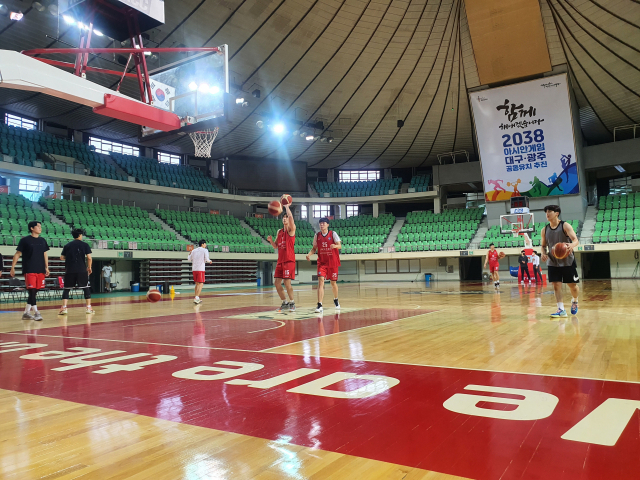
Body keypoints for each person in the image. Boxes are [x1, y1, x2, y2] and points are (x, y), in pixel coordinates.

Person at [541, 204, 580, 318]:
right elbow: (543, 246)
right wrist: (543, 253)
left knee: (572, 285)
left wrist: (572, 245)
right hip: (552, 261)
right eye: (546, 212)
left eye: (550, 211)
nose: (547, 214)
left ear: (556, 213)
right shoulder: (545, 229)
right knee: (556, 285)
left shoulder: (565, 225)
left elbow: (575, 240)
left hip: (567, 260)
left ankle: (575, 300)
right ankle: (561, 309)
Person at [10, 220, 49, 321]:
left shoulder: (42, 240)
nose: (40, 228)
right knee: (31, 291)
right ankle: (36, 312)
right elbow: (18, 254)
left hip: (40, 269)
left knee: (35, 291)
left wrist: (47, 267)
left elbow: (45, 254)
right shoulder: (25, 240)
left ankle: (26, 313)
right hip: (29, 268)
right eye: (38, 226)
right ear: (32, 228)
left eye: (40, 226)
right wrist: (12, 267)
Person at [306, 217, 341, 313]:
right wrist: (309, 254)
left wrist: (335, 246)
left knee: (333, 283)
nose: (322, 225)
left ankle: (336, 299)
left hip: (332, 262)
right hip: (322, 262)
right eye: (320, 223)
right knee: (321, 281)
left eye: (324, 223)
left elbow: (340, 245)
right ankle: (319, 304)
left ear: (328, 225)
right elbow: (314, 248)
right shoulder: (317, 235)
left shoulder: (333, 234)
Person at [267, 203, 296, 312]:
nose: (285, 219)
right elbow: (276, 246)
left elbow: (291, 218)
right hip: (280, 261)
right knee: (277, 283)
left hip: (289, 260)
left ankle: (292, 302)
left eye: (286, 217)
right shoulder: (279, 232)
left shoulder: (291, 230)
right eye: (283, 217)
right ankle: (285, 302)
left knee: (287, 282)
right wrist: (270, 241)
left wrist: (287, 207)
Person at [58, 229, 94, 315]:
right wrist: (89, 267)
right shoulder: (85, 245)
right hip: (81, 270)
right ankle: (88, 308)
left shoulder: (67, 245)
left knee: (67, 289)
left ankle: (64, 308)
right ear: (80, 235)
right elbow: (89, 258)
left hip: (69, 270)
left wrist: (71, 257)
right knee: (85, 288)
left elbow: (62, 257)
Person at [188, 240, 212, 304]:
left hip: (194, 269)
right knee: (201, 283)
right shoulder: (205, 250)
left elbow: (189, 259)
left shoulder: (193, 250)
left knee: (197, 284)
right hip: (200, 269)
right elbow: (207, 259)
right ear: (202, 244)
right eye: (205, 244)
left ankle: (196, 297)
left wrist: (189, 254)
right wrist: (210, 261)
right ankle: (197, 297)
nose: (205, 245)